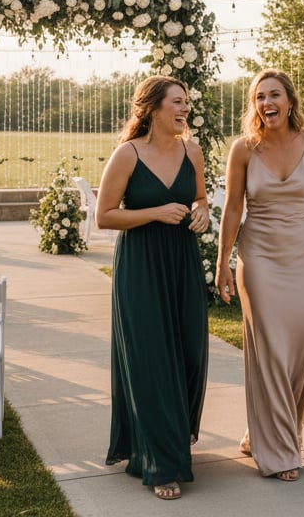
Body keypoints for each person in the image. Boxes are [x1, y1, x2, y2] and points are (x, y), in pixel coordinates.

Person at [215, 68, 304, 482]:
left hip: (303, 253)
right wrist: (222, 263)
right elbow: (233, 209)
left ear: (290, 101)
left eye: (274, 95)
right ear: (254, 106)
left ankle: (274, 430)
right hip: (259, 259)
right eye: (259, 97)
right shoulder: (243, 149)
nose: (266, 103)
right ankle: (279, 448)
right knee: (271, 352)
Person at [97, 76, 212, 501]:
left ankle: (170, 440)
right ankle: (160, 463)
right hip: (141, 268)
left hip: (181, 263)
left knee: (190, 354)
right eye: (177, 102)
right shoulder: (127, 155)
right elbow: (104, 216)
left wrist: (201, 213)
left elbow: (199, 197)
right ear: (154, 109)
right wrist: (154, 212)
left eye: (187, 102)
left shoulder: (192, 150)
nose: (184, 109)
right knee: (152, 360)